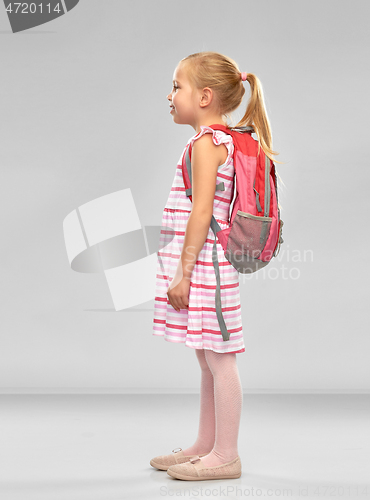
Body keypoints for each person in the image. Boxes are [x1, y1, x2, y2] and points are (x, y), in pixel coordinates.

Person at [151, 51, 278, 481]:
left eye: (176, 87)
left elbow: (201, 212)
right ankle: (205, 445)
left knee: (221, 359)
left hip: (208, 269)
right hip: (206, 266)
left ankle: (227, 455)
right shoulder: (210, 142)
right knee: (207, 357)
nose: (169, 96)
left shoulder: (207, 144)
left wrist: (183, 273)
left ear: (204, 96)